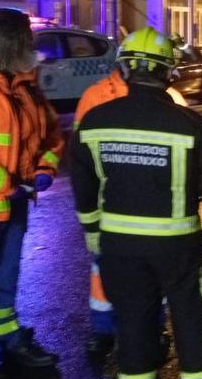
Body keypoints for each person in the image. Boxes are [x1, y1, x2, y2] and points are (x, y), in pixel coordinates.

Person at [70, 27, 202, 379]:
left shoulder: (94, 122)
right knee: (191, 312)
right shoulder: (191, 124)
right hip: (177, 245)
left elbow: (83, 183)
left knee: (133, 314)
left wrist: (92, 230)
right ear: (168, 73)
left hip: (118, 244)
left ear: (124, 69)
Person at [0, 8, 64, 379]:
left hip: (15, 204)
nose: (34, 50)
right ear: (8, 46)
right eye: (27, 43)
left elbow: (53, 136)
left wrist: (45, 168)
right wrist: (0, 179)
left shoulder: (27, 87)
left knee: (6, 279)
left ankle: (9, 339)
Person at [73, 66, 187, 355]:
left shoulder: (170, 98)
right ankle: (104, 329)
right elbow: (81, 158)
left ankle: (152, 327)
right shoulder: (95, 96)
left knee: (146, 273)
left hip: (151, 207)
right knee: (105, 270)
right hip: (112, 206)